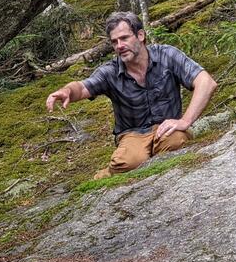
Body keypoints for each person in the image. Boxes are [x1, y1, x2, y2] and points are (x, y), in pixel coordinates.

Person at [45, 10, 218, 180]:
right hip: (132, 134)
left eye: (124, 38)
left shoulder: (166, 55)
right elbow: (82, 88)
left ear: (140, 35)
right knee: (128, 163)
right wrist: (67, 91)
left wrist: (185, 121)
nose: (119, 46)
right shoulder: (110, 72)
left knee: (176, 143)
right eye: (114, 42)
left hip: (167, 127)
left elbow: (206, 82)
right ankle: (107, 175)